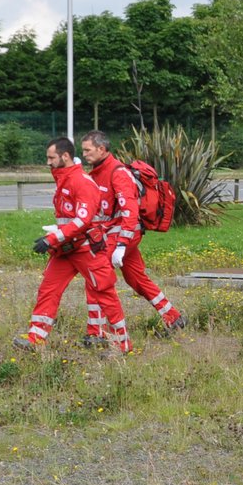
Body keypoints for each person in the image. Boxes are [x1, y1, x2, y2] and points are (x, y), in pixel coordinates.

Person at [14, 137, 131, 354]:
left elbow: (82, 221)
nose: (48, 162)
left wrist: (52, 239)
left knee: (105, 293)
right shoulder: (64, 179)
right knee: (48, 289)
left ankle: (123, 345)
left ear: (65, 156)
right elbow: (68, 218)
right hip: (66, 249)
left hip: (87, 249)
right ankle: (35, 338)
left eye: (51, 157)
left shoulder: (81, 181)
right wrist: (56, 236)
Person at [79, 129, 186, 337]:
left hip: (122, 235)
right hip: (119, 234)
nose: (84, 154)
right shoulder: (99, 171)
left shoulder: (117, 173)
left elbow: (130, 212)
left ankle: (96, 333)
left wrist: (120, 245)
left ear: (101, 149)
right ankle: (173, 317)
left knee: (96, 277)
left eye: (87, 150)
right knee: (136, 279)